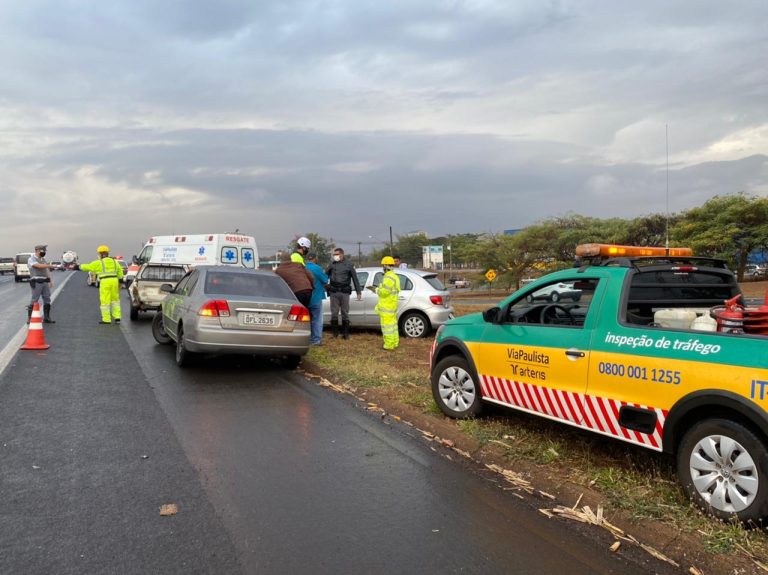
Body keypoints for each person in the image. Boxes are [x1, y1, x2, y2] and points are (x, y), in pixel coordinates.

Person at [78, 245, 124, 324]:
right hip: (114, 281)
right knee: (115, 300)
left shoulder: (99, 262)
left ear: (99, 254)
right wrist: (120, 282)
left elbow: (88, 267)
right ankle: (117, 318)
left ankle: (106, 319)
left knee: (105, 301)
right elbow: (120, 273)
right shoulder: (114, 262)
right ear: (107, 253)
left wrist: (78, 267)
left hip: (105, 281)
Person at [326, 247, 361, 339]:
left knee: (345, 312)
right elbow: (325, 276)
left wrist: (358, 292)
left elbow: (355, 278)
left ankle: (345, 334)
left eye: (336, 255)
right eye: (334, 255)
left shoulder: (349, 264)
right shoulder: (332, 264)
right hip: (334, 292)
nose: (335, 256)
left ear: (342, 255)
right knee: (334, 313)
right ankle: (335, 334)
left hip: (345, 292)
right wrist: (326, 287)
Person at [375, 256, 401, 350]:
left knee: (387, 328)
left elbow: (384, 292)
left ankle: (389, 345)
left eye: (383, 265)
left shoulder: (388, 277)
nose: (383, 267)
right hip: (392, 306)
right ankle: (394, 343)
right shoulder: (394, 276)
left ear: (386, 265)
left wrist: (376, 289)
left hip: (387, 307)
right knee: (393, 327)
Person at [27, 244, 56, 324]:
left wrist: (50, 281)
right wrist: (50, 265)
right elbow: (38, 266)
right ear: (37, 251)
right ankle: (30, 318)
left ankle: (47, 317)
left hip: (44, 281)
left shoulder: (43, 259)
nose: (44, 252)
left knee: (47, 298)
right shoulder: (31, 259)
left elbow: (46, 270)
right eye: (43, 251)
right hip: (36, 281)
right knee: (35, 299)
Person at [304, 253, 329, 345]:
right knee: (317, 320)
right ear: (315, 259)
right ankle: (316, 340)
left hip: (306, 299)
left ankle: (308, 338)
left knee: (308, 320)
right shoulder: (317, 268)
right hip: (316, 298)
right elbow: (325, 280)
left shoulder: (303, 268)